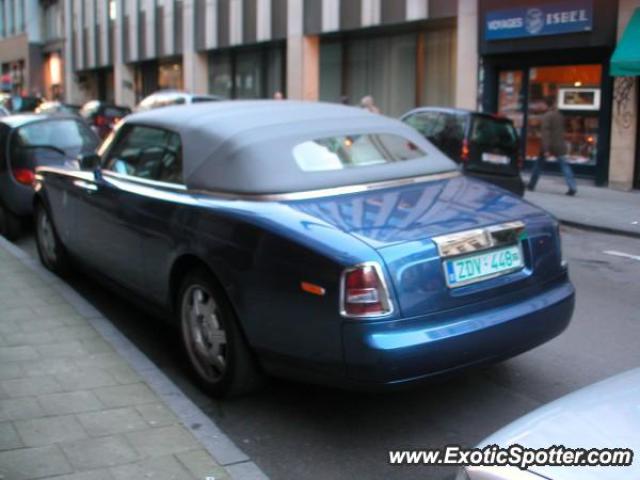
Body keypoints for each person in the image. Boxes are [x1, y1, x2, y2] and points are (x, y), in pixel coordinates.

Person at [528, 96, 577, 196]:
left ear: (546, 105)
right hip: (559, 144)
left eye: (542, 104)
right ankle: (572, 186)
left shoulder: (546, 116)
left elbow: (545, 133)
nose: (541, 106)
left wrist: (546, 149)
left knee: (538, 166)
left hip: (549, 144)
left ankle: (531, 184)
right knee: (565, 166)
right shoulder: (559, 115)